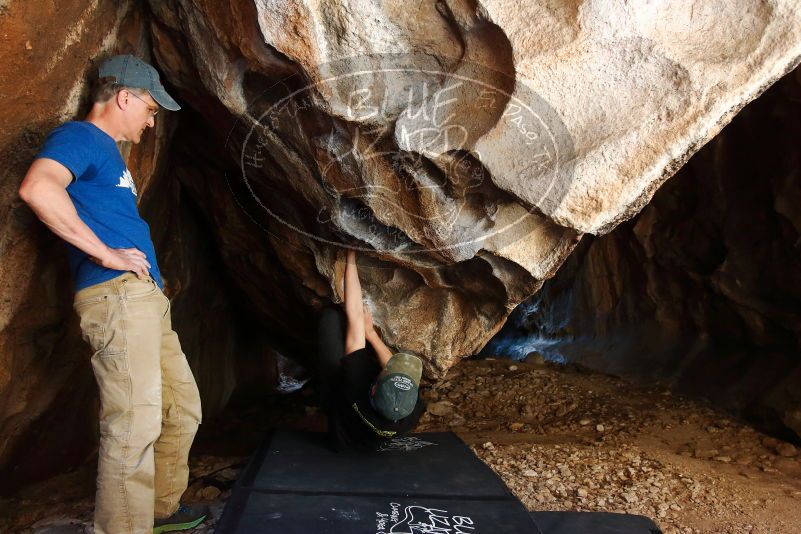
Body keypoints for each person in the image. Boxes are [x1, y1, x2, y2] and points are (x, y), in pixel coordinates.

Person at [18, 55, 207, 534]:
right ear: (124, 97)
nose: (151, 119)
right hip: (116, 296)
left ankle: (159, 512)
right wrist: (106, 253)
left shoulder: (107, 153)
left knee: (180, 408)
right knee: (134, 424)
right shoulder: (80, 138)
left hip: (142, 299)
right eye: (150, 108)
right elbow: (38, 188)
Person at [316, 249, 426, 451]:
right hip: (366, 434)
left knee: (331, 316)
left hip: (342, 420)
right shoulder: (408, 410)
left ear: (374, 388)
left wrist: (350, 256)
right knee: (361, 348)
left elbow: (356, 316)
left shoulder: (355, 387)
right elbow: (392, 367)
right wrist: (372, 334)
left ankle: (321, 400)